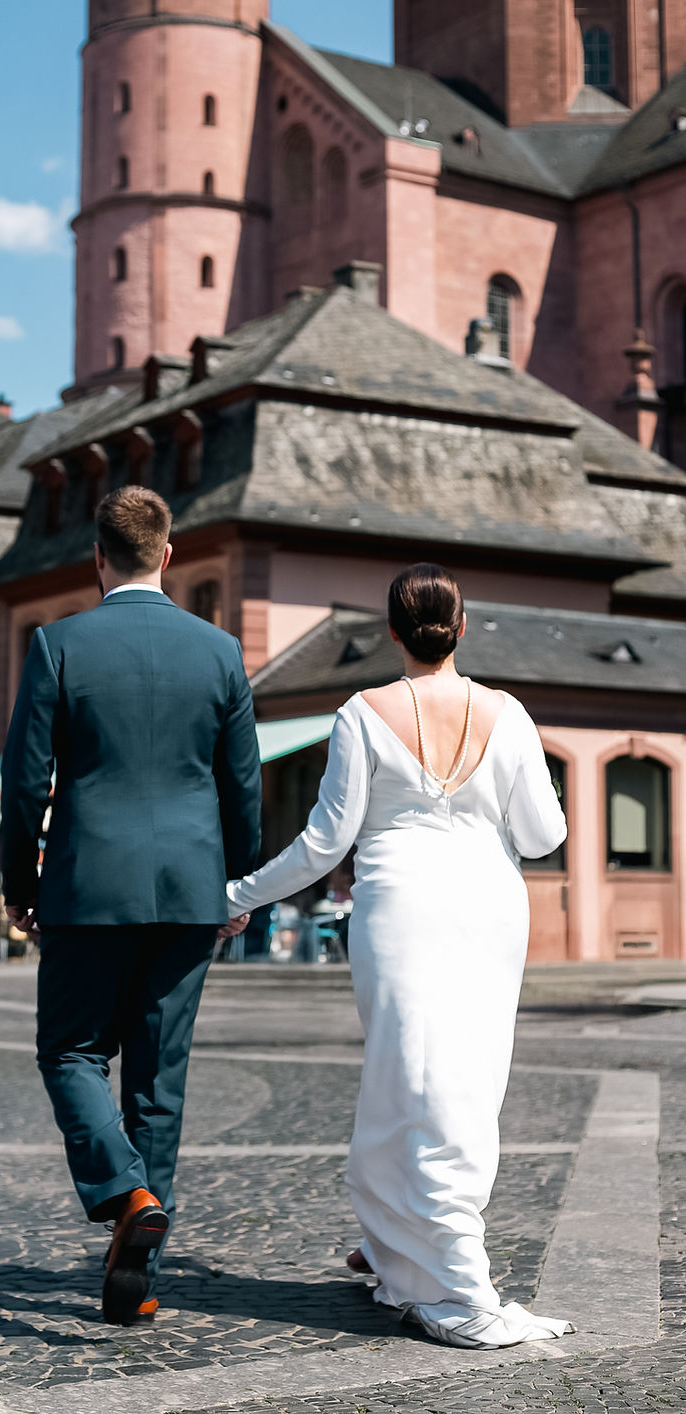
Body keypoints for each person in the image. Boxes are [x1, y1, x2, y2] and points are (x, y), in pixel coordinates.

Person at [226, 563, 574, 1349]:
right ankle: (402, 1248)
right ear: (462, 626)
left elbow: (325, 842)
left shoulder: (361, 711)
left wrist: (238, 895)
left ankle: (423, 1256)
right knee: (471, 1083)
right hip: (491, 906)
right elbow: (544, 838)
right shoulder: (509, 711)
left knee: (406, 1077)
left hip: (402, 909)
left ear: (391, 631)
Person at [0, 486, 261, 1327]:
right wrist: (240, 884)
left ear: (98, 559)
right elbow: (243, 784)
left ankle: (123, 1190)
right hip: (190, 890)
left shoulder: (57, 645)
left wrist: (18, 885)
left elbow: (22, 784)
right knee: (159, 1075)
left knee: (72, 1052)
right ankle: (135, 1277)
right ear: (169, 553)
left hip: (86, 886)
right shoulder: (220, 652)